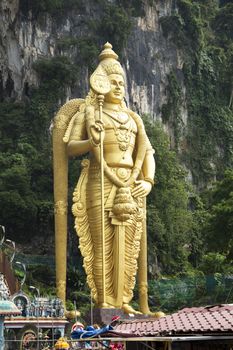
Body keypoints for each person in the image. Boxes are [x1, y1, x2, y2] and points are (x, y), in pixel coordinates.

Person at [53, 43, 155, 315]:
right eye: (112, 81)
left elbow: (147, 152)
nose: (119, 86)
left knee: (130, 243)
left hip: (131, 184)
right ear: (100, 83)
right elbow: (69, 147)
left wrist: (148, 180)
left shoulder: (134, 118)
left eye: (122, 81)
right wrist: (90, 140)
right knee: (102, 244)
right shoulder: (89, 112)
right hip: (101, 179)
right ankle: (104, 302)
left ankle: (125, 299)